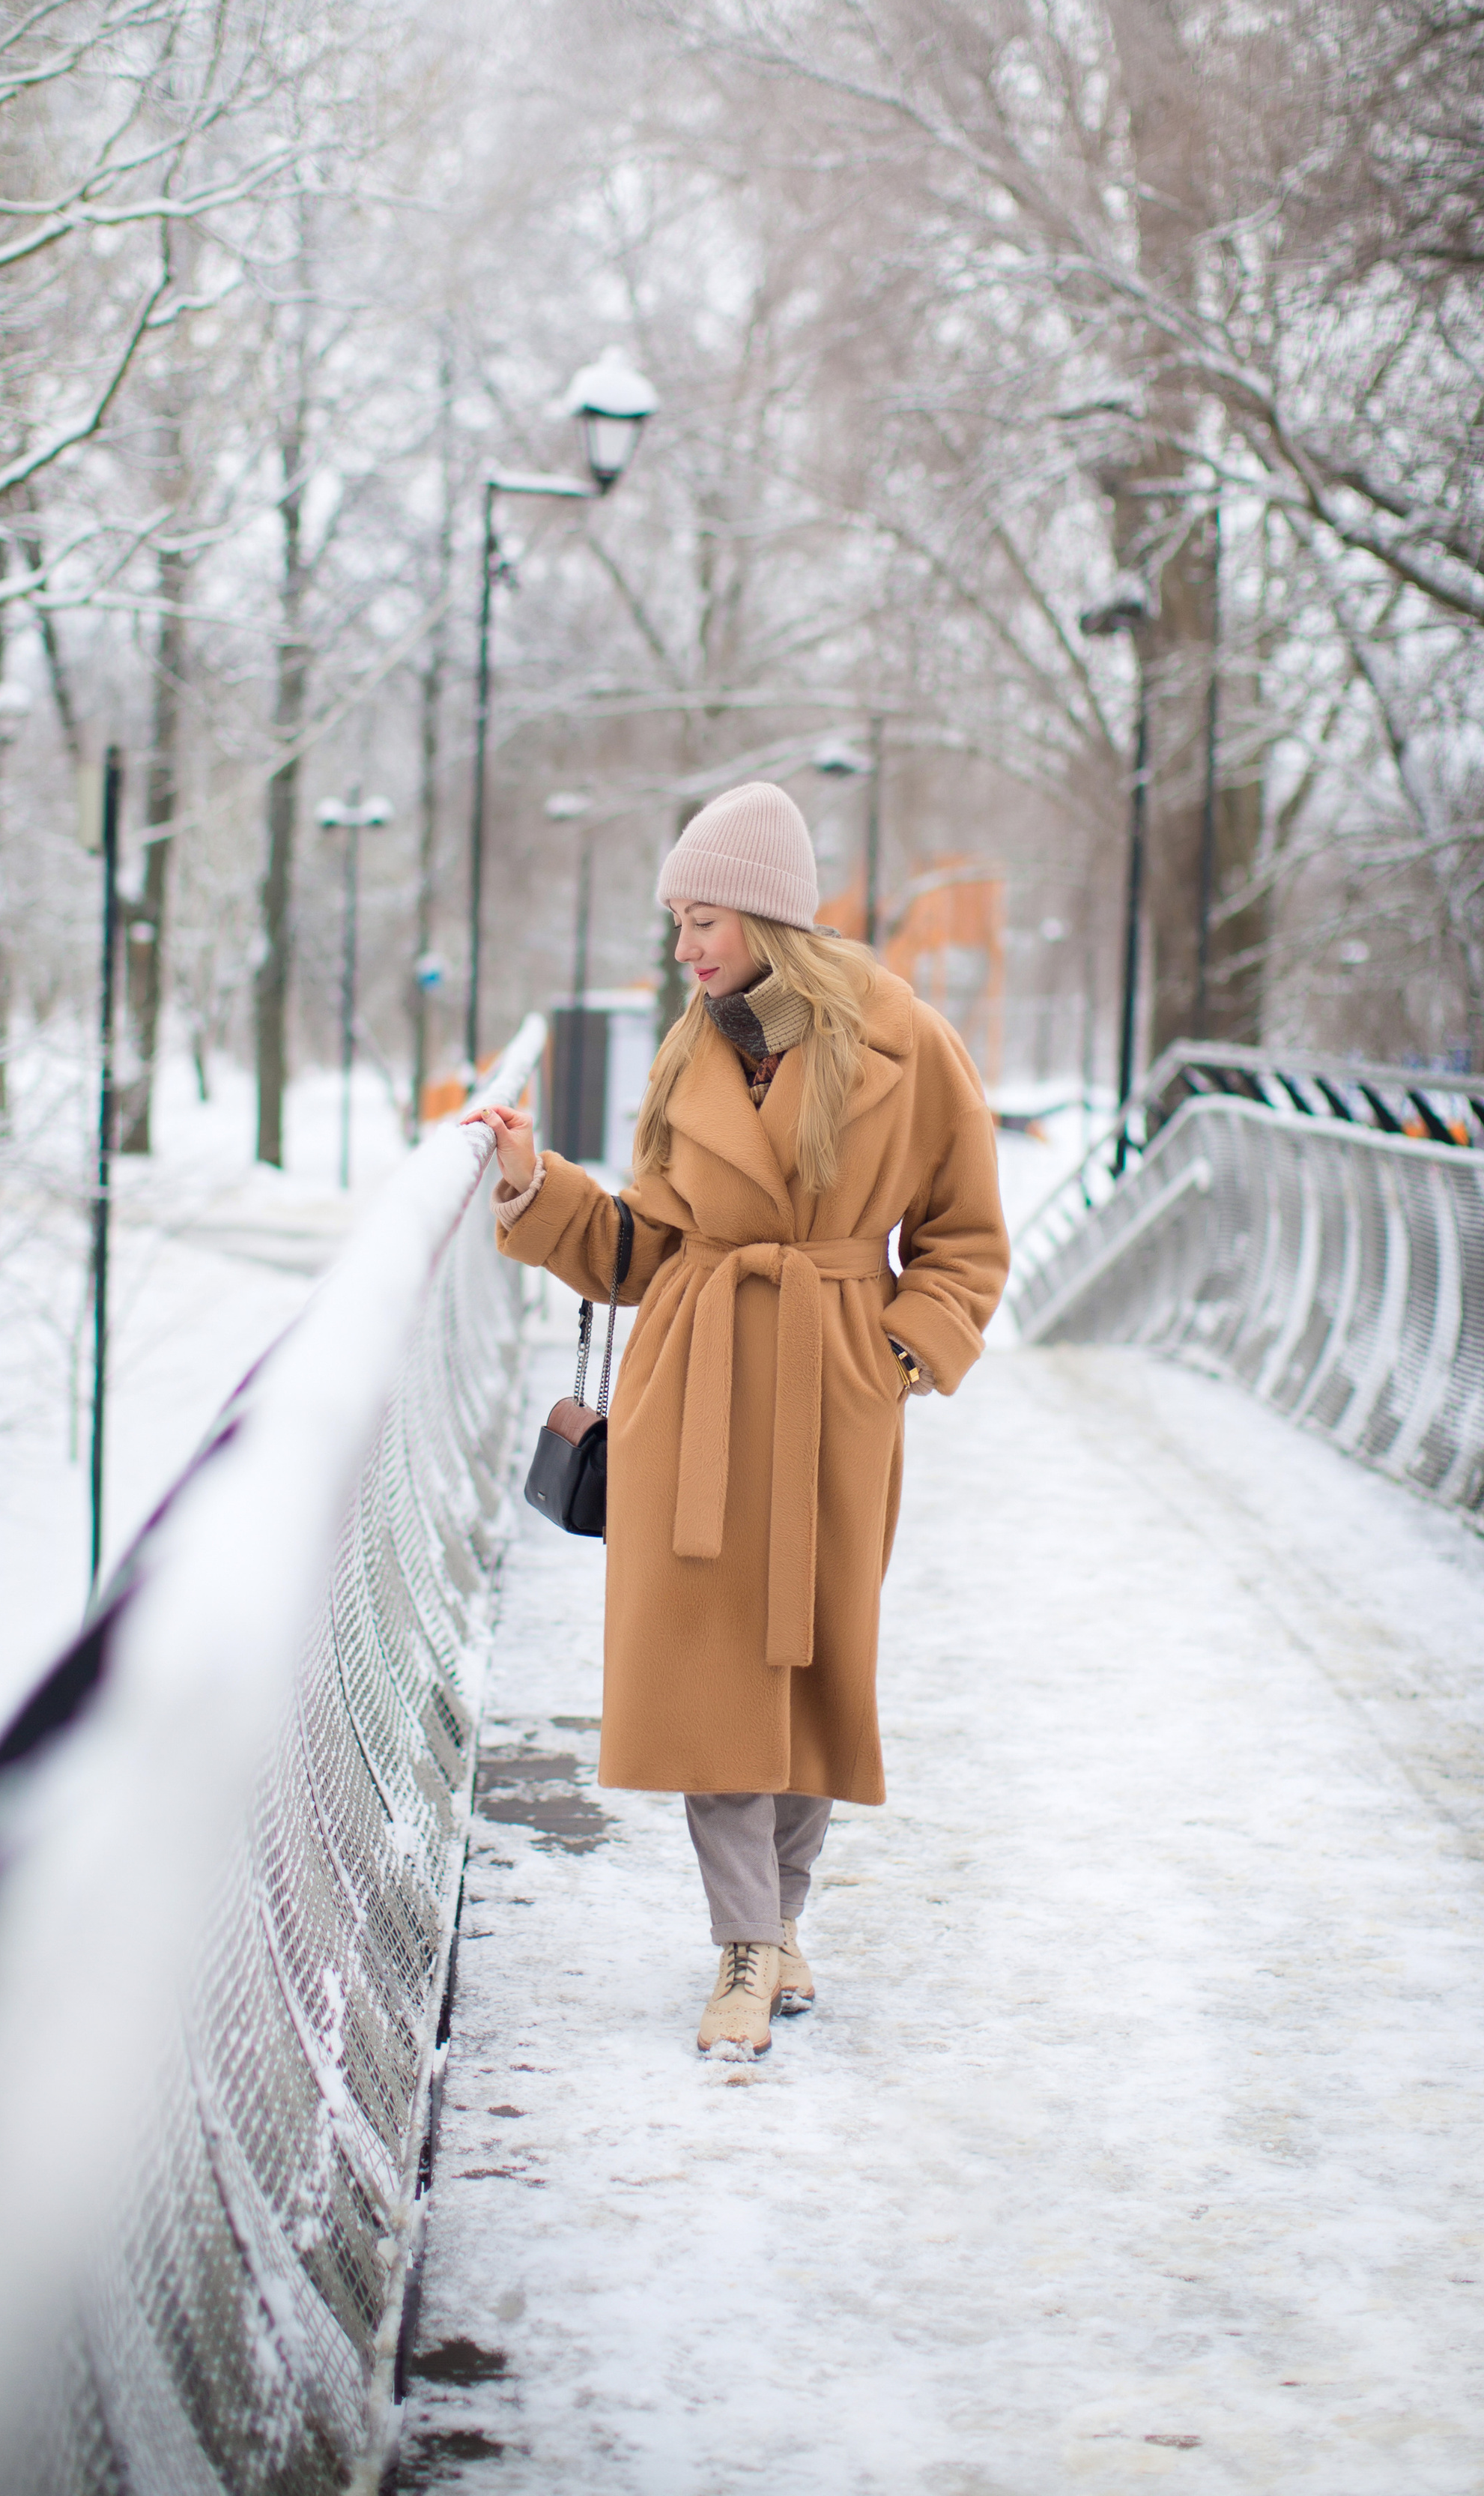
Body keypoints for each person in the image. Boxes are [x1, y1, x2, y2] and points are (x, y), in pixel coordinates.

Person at [464, 780, 1009, 2057]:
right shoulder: (686, 1049)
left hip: (833, 1388)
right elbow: (644, 1246)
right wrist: (531, 1185)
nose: (685, 948)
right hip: (694, 1390)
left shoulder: (905, 1044)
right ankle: (744, 1945)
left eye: (701, 919)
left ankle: (782, 1920)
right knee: (714, 1674)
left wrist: (896, 1353)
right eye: (676, 923)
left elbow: (966, 1238)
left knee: (813, 1667)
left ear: (768, 913)